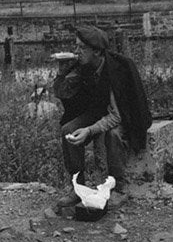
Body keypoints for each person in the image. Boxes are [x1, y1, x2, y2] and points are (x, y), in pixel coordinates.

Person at [56, 24, 152, 207]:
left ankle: (119, 187)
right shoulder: (82, 65)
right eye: (76, 46)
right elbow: (64, 94)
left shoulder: (117, 69)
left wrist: (90, 130)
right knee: (67, 130)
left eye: (82, 48)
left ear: (97, 52)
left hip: (124, 115)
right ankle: (77, 186)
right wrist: (62, 73)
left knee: (113, 134)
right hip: (97, 111)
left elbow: (116, 116)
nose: (77, 52)